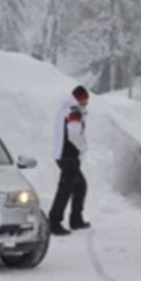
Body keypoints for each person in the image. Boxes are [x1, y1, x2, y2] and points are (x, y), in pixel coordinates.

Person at [49, 85, 91, 236]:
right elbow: (74, 133)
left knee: (80, 186)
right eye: (86, 100)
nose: (87, 103)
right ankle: (54, 222)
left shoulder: (66, 109)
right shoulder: (74, 111)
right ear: (81, 98)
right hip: (69, 156)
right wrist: (84, 147)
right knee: (65, 190)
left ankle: (76, 219)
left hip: (63, 155)